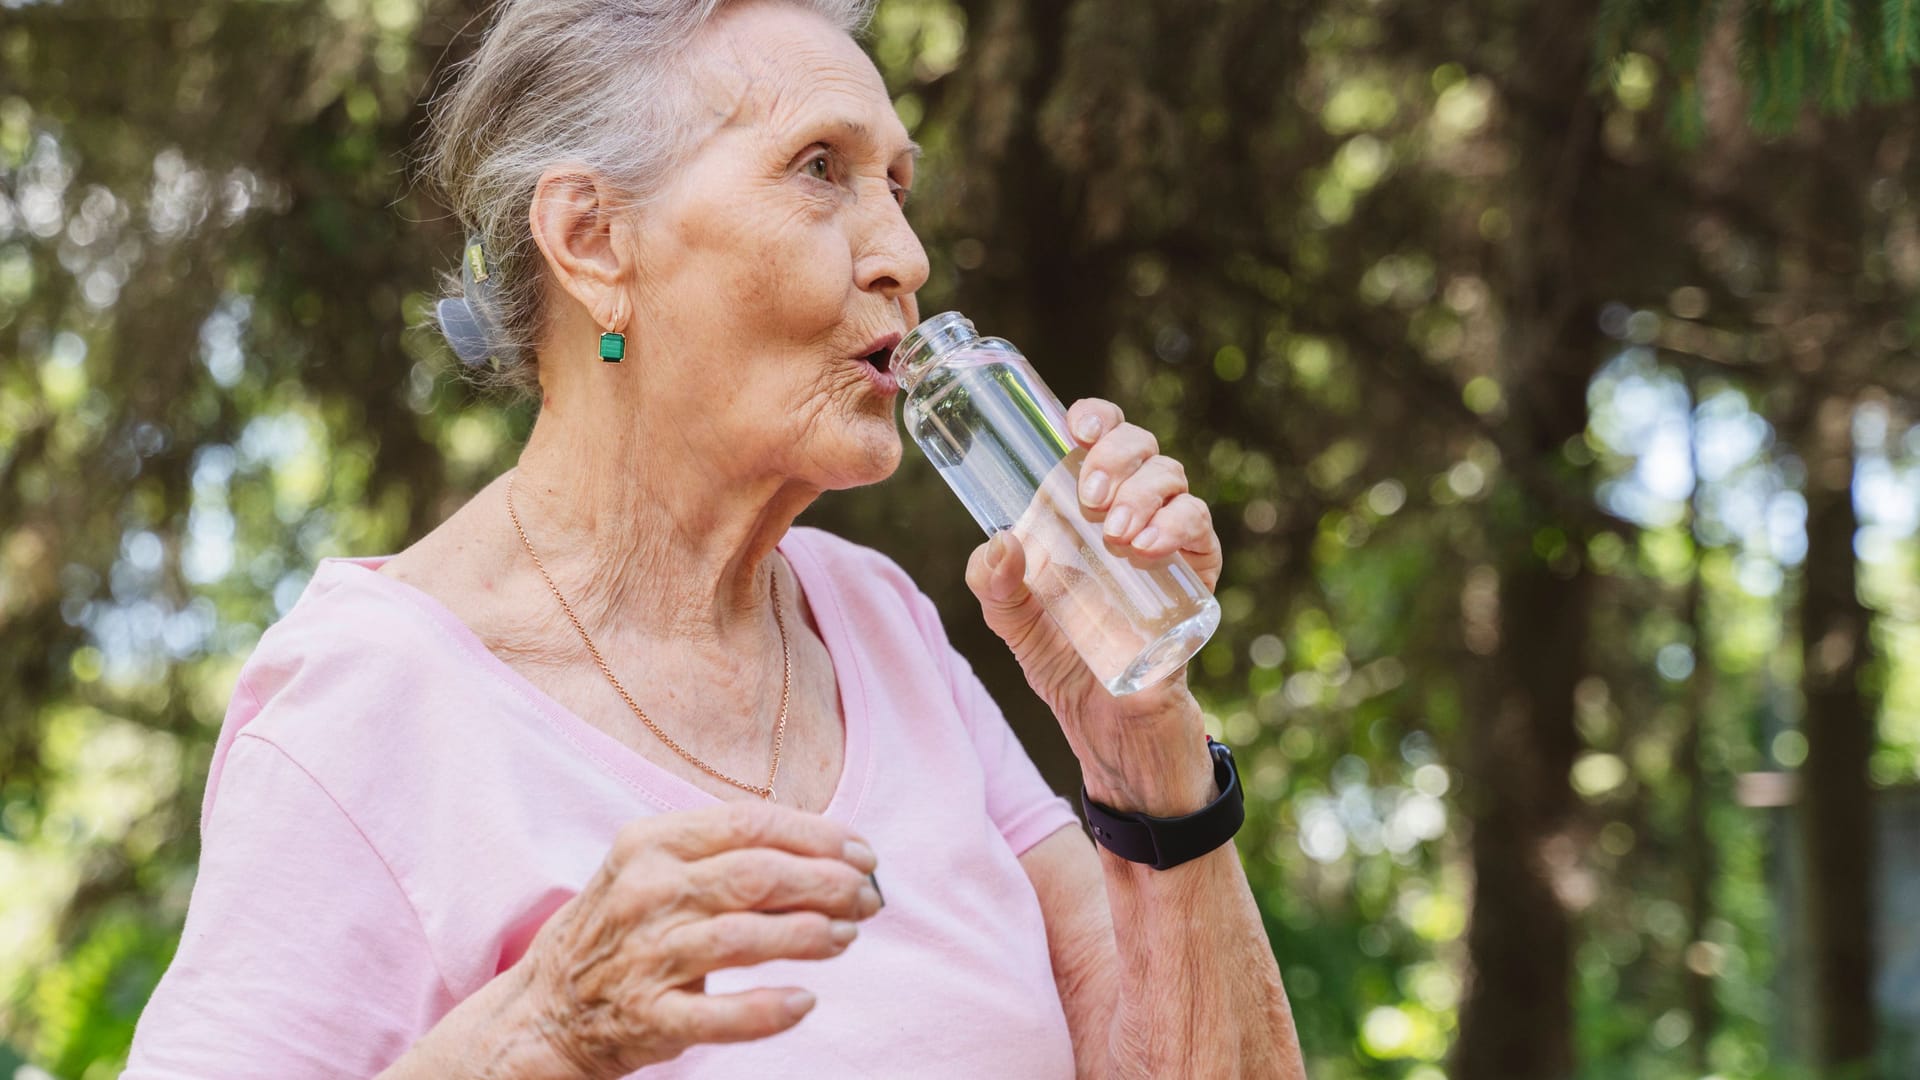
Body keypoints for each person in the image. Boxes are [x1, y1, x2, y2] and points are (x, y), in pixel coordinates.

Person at [123, 0, 1304, 1076]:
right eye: (818, 170)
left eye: (897, 184)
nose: (904, 253)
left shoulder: (877, 623)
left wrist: (1143, 746)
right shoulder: (372, 698)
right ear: (592, 239)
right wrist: (533, 1037)